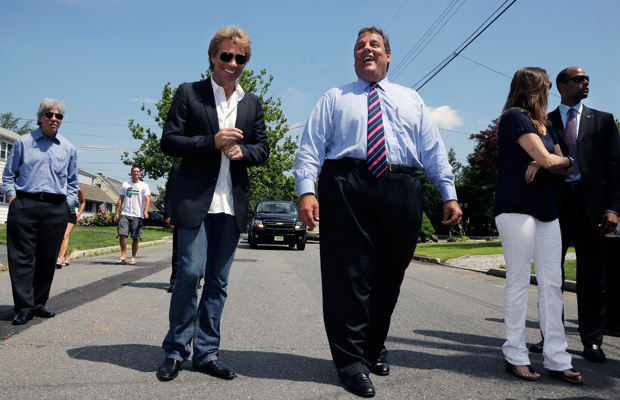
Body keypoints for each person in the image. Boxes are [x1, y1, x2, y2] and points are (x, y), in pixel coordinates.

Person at [293, 27, 462, 398]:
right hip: (347, 184)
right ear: (354, 58)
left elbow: (433, 151)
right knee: (349, 277)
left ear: (388, 56)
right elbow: (310, 149)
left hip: (402, 187)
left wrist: (448, 194)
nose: (366, 50)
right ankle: (351, 362)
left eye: (374, 45)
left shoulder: (411, 98)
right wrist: (307, 190)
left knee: (388, 278)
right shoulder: (334, 98)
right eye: (359, 46)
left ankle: (373, 347)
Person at [157, 25, 269, 382]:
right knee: (190, 274)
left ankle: (206, 353)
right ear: (212, 56)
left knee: (218, 283)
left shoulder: (252, 103)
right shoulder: (190, 93)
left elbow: (263, 148)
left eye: (241, 58)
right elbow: (169, 141)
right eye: (227, 55)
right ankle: (176, 350)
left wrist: (243, 151)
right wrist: (213, 141)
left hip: (231, 206)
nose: (233, 62)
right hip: (195, 202)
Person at [494, 67, 583, 385]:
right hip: (516, 207)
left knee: (552, 285)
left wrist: (539, 160)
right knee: (518, 282)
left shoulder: (545, 126)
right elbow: (553, 161)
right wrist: (544, 160)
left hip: (547, 209)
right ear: (534, 88)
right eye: (546, 85)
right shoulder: (514, 117)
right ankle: (515, 355)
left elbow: (567, 163)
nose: (550, 90)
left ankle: (558, 359)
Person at [533, 67, 620, 363]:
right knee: (550, 277)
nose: (585, 83)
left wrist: (613, 208)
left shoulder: (604, 121)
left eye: (587, 80)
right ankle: (551, 338)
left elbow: (615, 169)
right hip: (554, 206)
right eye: (578, 80)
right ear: (561, 86)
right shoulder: (543, 122)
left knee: (594, 277)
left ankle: (592, 341)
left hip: (593, 208)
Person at [1, 98, 78, 325]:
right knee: (22, 257)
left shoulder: (68, 148)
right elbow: (8, 176)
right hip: (25, 204)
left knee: (47, 257)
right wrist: (14, 199)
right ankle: (23, 306)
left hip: (56, 207)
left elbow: (73, 182)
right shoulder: (23, 143)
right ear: (40, 117)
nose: (54, 119)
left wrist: (67, 204)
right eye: (49, 114)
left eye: (59, 116)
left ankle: (38, 303)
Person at [113, 166, 151, 265]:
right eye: (134, 171)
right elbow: (121, 198)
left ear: (140, 173)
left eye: (137, 171)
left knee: (135, 237)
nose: (136, 173)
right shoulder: (125, 184)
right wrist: (117, 212)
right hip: (125, 213)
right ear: (131, 173)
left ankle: (133, 257)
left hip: (137, 215)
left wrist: (145, 211)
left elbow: (147, 200)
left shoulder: (144, 185)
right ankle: (123, 255)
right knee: (122, 234)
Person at [56, 187, 86, 269]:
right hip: (61, 213)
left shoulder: (78, 189)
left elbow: (83, 202)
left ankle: (60, 260)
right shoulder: (60, 186)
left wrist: (79, 213)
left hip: (72, 215)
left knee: (65, 235)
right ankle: (66, 259)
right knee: (64, 237)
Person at [163, 163, 179, 293]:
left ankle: (195, 279)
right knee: (178, 251)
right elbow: (170, 192)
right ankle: (175, 281)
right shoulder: (177, 167)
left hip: (201, 215)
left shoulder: (204, 166)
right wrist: (168, 215)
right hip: (180, 214)